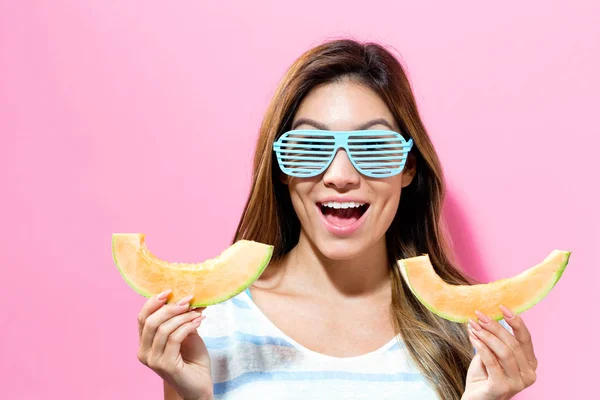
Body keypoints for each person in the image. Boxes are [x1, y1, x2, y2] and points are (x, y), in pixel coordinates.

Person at [135, 39, 538, 400]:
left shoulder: (464, 332)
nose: (340, 175)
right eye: (310, 145)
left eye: (372, 147)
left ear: (408, 167)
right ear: (281, 167)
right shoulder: (211, 323)